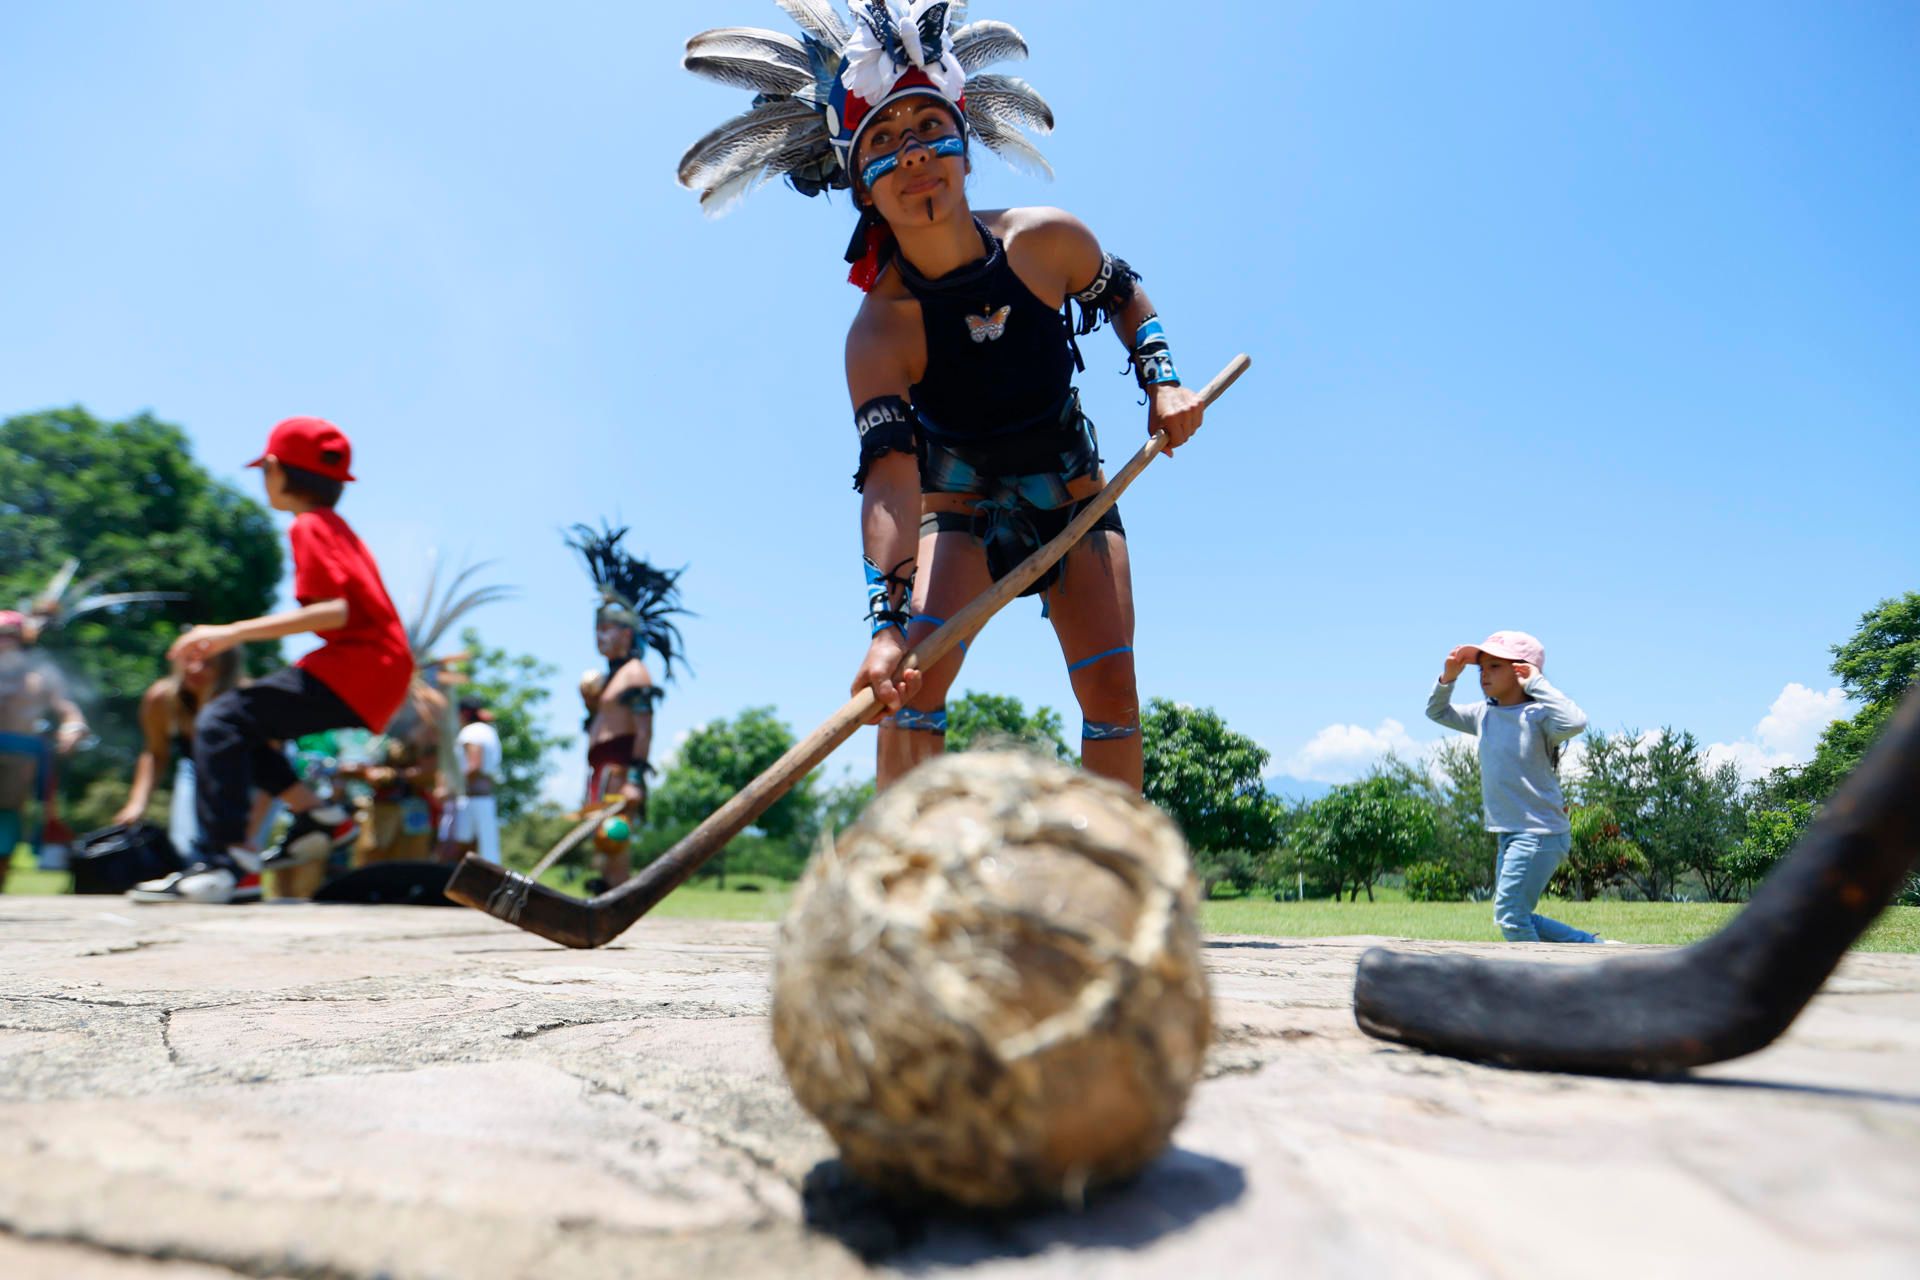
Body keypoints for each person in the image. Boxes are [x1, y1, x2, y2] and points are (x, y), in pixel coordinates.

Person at [678, 1, 1205, 793]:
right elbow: (890, 480)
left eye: (928, 128)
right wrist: (886, 630)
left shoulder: (1046, 241)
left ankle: (1111, 906)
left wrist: (1164, 383)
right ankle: (899, 896)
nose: (914, 154)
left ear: (963, 142)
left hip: (1075, 498)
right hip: (955, 511)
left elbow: (1125, 293)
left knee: (1112, 700)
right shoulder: (878, 334)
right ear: (861, 183)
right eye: (885, 142)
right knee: (907, 690)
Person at [131, 417, 413, 903]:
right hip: (377, 668)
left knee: (220, 718)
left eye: (264, 470)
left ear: (278, 470)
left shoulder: (308, 526)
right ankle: (319, 817)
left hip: (361, 665)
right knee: (239, 723)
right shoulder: (333, 526)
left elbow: (334, 610)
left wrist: (229, 633)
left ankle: (224, 863)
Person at [1426, 630, 1602, 944]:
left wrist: (1536, 682)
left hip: (1540, 833)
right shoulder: (1483, 715)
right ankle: (1592, 948)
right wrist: (1448, 678)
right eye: (1481, 668)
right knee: (1518, 913)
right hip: (1508, 832)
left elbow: (1576, 722)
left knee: (1510, 916)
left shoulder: (1539, 717)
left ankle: (1535, 985)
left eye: (1495, 666)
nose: (1483, 675)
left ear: (1520, 670)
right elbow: (1436, 712)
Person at [568, 523, 687, 890]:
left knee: (613, 832)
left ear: (626, 633)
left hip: (619, 767)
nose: (600, 637)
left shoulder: (635, 674)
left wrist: (635, 777)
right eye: (597, 629)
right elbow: (600, 724)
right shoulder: (610, 679)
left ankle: (617, 891)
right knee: (601, 835)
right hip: (601, 765)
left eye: (607, 629)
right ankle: (607, 889)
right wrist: (590, 707)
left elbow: (644, 727)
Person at [0, 610, 89, 891]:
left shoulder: (41, 674)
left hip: (19, 757)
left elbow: (68, 709)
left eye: (10, 636)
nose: (5, 642)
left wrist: (73, 727)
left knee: (7, 819)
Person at [437, 695, 502, 865]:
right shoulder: (487, 730)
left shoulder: (472, 731)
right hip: (484, 799)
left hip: (471, 800)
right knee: (485, 852)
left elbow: (474, 765)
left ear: (463, 713)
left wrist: (450, 789)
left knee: (457, 851)